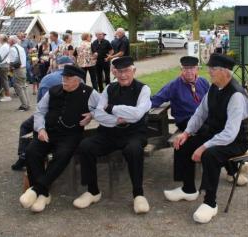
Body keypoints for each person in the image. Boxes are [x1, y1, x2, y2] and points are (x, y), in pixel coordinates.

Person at [164, 54, 248, 224]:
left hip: (236, 141)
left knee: (210, 155)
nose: (209, 72)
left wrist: (204, 147)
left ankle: (210, 203)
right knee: (183, 144)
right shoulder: (214, 87)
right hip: (216, 134)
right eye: (210, 68)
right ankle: (188, 189)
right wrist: (186, 133)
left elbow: (231, 133)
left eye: (213, 69)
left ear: (226, 73)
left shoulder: (236, 96)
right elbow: (200, 113)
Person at [75, 56, 151, 214]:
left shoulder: (144, 89)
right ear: (115, 72)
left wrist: (111, 108)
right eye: (120, 72)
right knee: (85, 146)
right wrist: (118, 119)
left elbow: (137, 114)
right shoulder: (109, 88)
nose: (123, 75)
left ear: (134, 71)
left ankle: (138, 195)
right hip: (109, 132)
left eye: (127, 71)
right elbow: (98, 113)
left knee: (133, 150)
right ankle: (93, 191)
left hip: (134, 133)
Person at [19, 65, 99, 213]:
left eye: (68, 79)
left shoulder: (89, 92)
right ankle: (44, 193)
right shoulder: (53, 90)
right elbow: (39, 111)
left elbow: (102, 107)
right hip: (48, 132)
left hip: (71, 135)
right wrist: (41, 128)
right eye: (63, 78)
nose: (64, 81)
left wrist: (91, 115)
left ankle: (36, 190)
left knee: (62, 155)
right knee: (32, 151)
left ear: (78, 81)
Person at [11, 56, 75, 171]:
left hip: (50, 117)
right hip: (71, 117)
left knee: (25, 126)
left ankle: (23, 156)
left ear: (57, 65)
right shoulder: (79, 78)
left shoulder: (48, 78)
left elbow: (40, 104)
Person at [151, 56, 209, 132]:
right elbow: (157, 99)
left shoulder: (203, 82)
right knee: (207, 130)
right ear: (181, 70)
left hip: (203, 117)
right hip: (185, 120)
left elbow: (212, 99)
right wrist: (139, 106)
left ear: (197, 69)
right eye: (185, 68)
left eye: (191, 68)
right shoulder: (174, 85)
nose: (188, 71)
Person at [9, 35, 30, 111]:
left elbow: (12, 61)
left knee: (19, 87)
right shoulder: (21, 48)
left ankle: (24, 105)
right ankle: (27, 103)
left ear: (12, 41)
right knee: (24, 86)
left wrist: (10, 68)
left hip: (18, 69)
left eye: (9, 40)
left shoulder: (12, 49)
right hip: (23, 68)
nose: (8, 41)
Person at [0, 34, 12, 102]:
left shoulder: (4, 46)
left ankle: (7, 95)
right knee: (4, 80)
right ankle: (5, 94)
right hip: (5, 64)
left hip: (3, 65)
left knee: (4, 80)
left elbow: (0, 57)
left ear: (2, 39)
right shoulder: (6, 46)